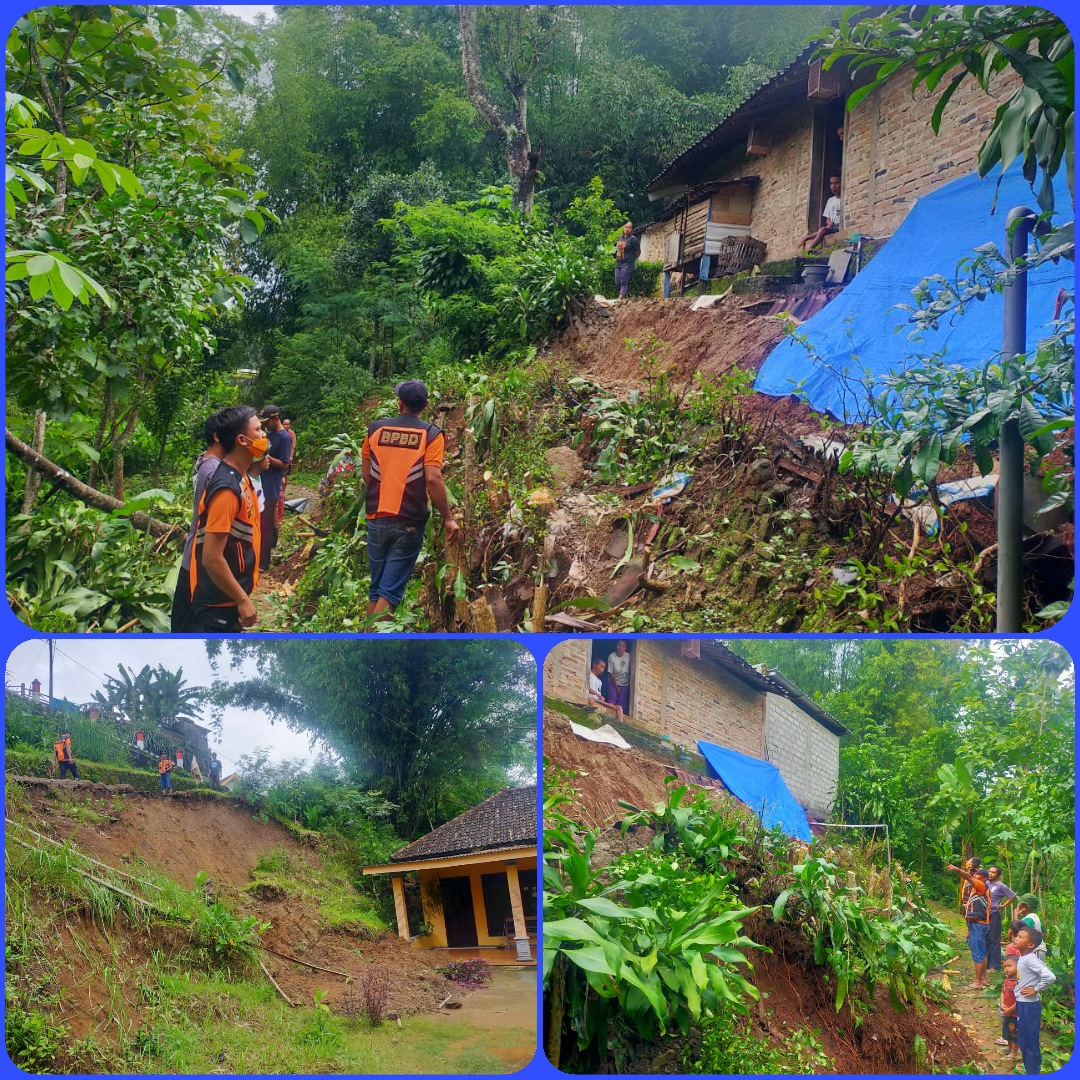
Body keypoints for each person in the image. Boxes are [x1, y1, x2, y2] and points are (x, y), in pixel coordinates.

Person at [361, 380, 462, 616]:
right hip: (408, 521)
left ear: (399, 404)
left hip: (375, 517)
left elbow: (367, 474)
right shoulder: (431, 434)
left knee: (376, 590)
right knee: (389, 593)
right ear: (426, 406)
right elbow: (433, 478)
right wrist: (448, 517)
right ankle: (375, 640)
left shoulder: (375, 430)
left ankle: (365, 633)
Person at [182, 406, 265, 632]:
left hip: (227, 599)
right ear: (242, 440)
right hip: (216, 607)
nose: (264, 435)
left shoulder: (241, 477)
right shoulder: (226, 489)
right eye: (258, 430)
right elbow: (211, 557)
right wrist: (242, 600)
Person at [171, 409, 227, 632]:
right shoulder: (214, 471)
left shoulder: (207, 463)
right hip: (198, 563)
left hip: (194, 557)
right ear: (217, 436)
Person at [1014, 926, 1055, 1075]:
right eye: (1016, 936)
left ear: (1031, 944)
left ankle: (1032, 1071)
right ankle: (1032, 1068)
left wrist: (1035, 989)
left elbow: (1050, 977)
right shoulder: (1024, 958)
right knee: (1026, 1038)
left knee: (1028, 1040)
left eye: (1020, 937)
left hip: (1028, 1006)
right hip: (1023, 1003)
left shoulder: (1030, 959)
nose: (1015, 938)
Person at [256, 405, 292, 572]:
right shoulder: (268, 434)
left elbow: (285, 464)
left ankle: (263, 563)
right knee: (259, 522)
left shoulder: (284, 438)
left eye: (266, 422)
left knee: (266, 524)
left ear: (275, 419)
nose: (265, 425)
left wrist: (266, 456)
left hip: (271, 486)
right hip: (260, 484)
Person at [945, 861, 991, 988]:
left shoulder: (981, 885)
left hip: (978, 924)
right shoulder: (979, 887)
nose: (975, 876)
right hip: (980, 924)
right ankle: (983, 979)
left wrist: (956, 869)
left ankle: (977, 982)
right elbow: (970, 875)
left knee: (977, 954)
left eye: (978, 874)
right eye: (975, 874)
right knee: (982, 952)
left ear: (984, 878)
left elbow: (968, 877)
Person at [986, 865, 1016, 972]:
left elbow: (1012, 896)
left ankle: (994, 965)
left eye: (993, 872)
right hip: (983, 915)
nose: (990, 873)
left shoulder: (1001, 886)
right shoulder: (984, 883)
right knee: (985, 939)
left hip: (994, 914)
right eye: (989, 871)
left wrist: (1003, 905)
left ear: (998, 875)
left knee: (994, 940)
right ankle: (985, 963)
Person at [802, 175, 842, 251]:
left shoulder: (843, 198)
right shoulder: (830, 200)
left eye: (836, 183)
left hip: (840, 227)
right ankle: (807, 240)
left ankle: (809, 248)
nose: (833, 186)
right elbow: (827, 218)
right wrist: (830, 222)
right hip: (832, 227)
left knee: (823, 230)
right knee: (823, 230)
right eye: (831, 183)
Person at [997, 954, 1020, 1061]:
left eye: (1010, 966)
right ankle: (1009, 1048)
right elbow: (1003, 992)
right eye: (1005, 966)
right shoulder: (1007, 979)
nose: (1006, 968)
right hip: (1006, 1012)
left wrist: (1010, 1009)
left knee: (1015, 1033)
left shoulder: (1019, 982)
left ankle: (1014, 1053)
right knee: (1007, 1033)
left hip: (1015, 1014)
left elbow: (1020, 999)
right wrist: (1002, 1004)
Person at [1015, 895, 1048, 960]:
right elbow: (1044, 931)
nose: (1019, 905)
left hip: (1036, 951)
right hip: (1038, 949)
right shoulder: (1032, 917)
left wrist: (1016, 915)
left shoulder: (1030, 918)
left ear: (1027, 908)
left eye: (1021, 904)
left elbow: (1017, 931)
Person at [614, 222, 640, 300]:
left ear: (632, 230)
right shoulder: (619, 238)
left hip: (628, 264)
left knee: (623, 282)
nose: (627, 229)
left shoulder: (633, 239)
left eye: (629, 227)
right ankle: (624, 298)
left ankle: (619, 299)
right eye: (626, 227)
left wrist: (630, 258)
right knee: (617, 282)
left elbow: (638, 252)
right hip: (618, 263)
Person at [606, 640, 632, 713]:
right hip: (613, 682)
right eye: (619, 645)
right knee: (612, 699)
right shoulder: (612, 657)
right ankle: (609, 715)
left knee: (621, 704)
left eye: (623, 646)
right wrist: (616, 687)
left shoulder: (628, 656)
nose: (620, 647)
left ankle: (619, 719)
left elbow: (631, 669)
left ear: (625, 648)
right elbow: (611, 673)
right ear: (615, 646)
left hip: (624, 684)